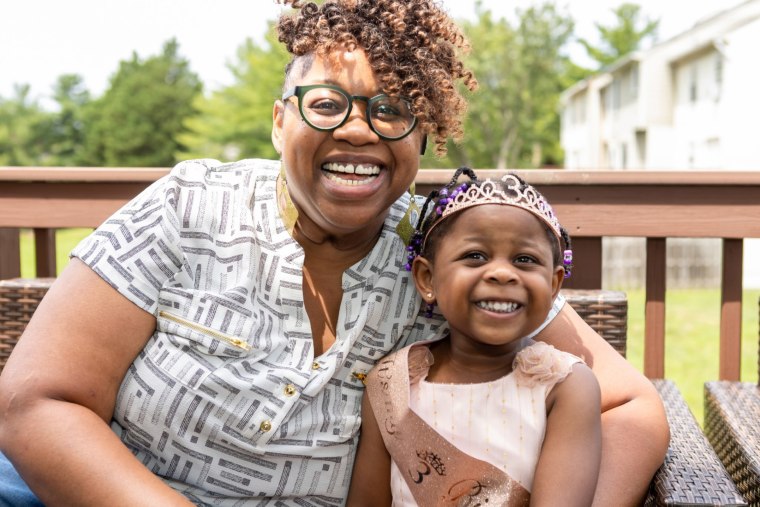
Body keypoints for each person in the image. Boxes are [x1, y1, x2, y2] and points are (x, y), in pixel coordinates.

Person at [0, 0, 667, 505]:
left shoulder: (446, 255)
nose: (357, 129)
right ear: (279, 119)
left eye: (391, 110)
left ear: (421, 138)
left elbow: (629, 409)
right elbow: (37, 402)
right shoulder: (188, 206)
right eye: (326, 104)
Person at [347, 169, 602, 506]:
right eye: (475, 256)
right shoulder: (392, 383)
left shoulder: (565, 386)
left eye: (525, 259)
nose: (501, 272)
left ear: (554, 286)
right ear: (427, 279)